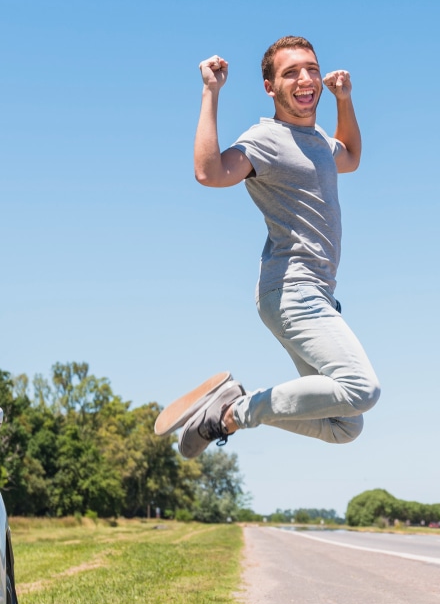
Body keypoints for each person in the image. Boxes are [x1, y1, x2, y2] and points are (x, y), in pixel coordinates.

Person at [156, 35, 380, 458]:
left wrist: (344, 100)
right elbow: (209, 172)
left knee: (345, 424)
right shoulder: (266, 139)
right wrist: (211, 92)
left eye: (311, 69)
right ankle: (240, 409)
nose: (305, 78)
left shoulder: (317, 142)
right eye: (291, 72)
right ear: (269, 87)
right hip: (293, 290)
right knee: (361, 388)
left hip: (318, 295)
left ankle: (223, 415)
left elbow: (350, 155)